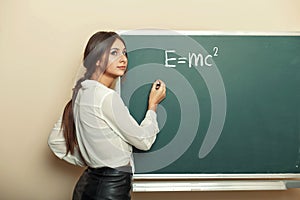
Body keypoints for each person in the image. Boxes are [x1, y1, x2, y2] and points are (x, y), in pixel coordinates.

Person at [48, 31, 166, 200]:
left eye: (124, 53)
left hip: (86, 186)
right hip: (110, 189)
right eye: (114, 53)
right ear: (96, 59)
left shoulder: (81, 93)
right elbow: (144, 141)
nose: (123, 58)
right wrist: (153, 106)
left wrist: (93, 161)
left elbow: (55, 141)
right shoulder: (106, 97)